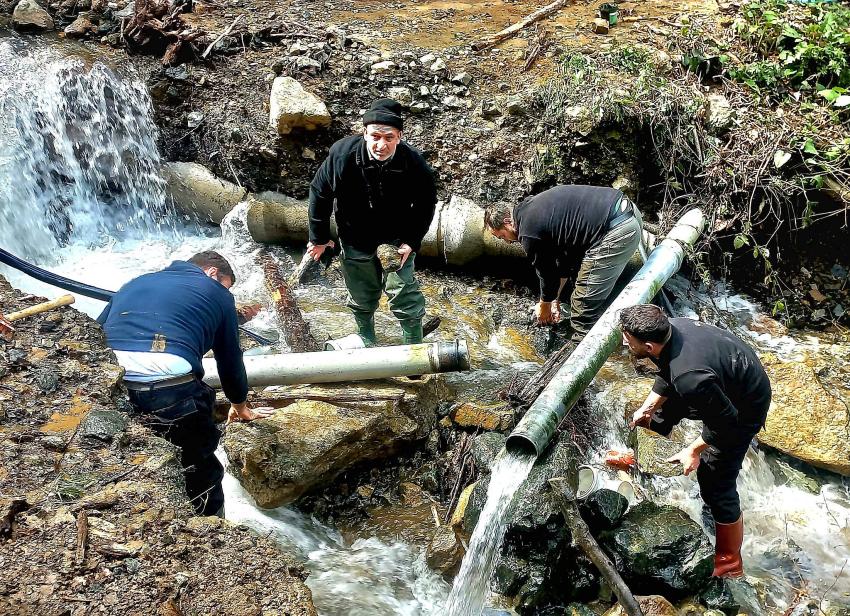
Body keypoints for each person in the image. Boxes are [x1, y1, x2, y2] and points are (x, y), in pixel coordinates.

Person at [97, 251, 272, 516]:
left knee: (135, 464)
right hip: (172, 390)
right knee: (200, 472)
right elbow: (230, 359)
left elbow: (93, 331)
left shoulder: (135, 282)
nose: (226, 292)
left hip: (111, 384)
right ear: (213, 273)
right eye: (227, 285)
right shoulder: (218, 293)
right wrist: (240, 404)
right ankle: (214, 532)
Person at [618, 304, 772, 578]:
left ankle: (729, 560)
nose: (623, 342)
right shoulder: (669, 327)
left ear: (650, 346)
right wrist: (649, 406)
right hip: (720, 378)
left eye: (627, 340)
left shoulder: (690, 377)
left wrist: (694, 450)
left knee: (715, 479)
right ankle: (645, 459)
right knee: (659, 415)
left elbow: (725, 422)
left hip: (746, 405)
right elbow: (668, 370)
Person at [306, 97, 437, 346]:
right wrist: (319, 238)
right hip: (354, 233)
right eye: (375, 136)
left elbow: (425, 204)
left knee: (403, 291)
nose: (381, 145)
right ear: (364, 133)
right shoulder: (342, 155)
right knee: (360, 291)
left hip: (396, 237)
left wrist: (412, 241)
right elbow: (319, 193)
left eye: (389, 138)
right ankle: (366, 338)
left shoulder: (413, 162)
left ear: (399, 136)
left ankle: (414, 347)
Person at [485, 185, 642, 343]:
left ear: (507, 223)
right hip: (628, 211)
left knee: (583, 305)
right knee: (583, 290)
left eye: (501, 236)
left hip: (616, 230)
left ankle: (581, 357)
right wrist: (554, 300)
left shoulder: (527, 231)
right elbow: (563, 262)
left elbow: (546, 274)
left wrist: (544, 307)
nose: (506, 242)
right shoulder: (533, 209)